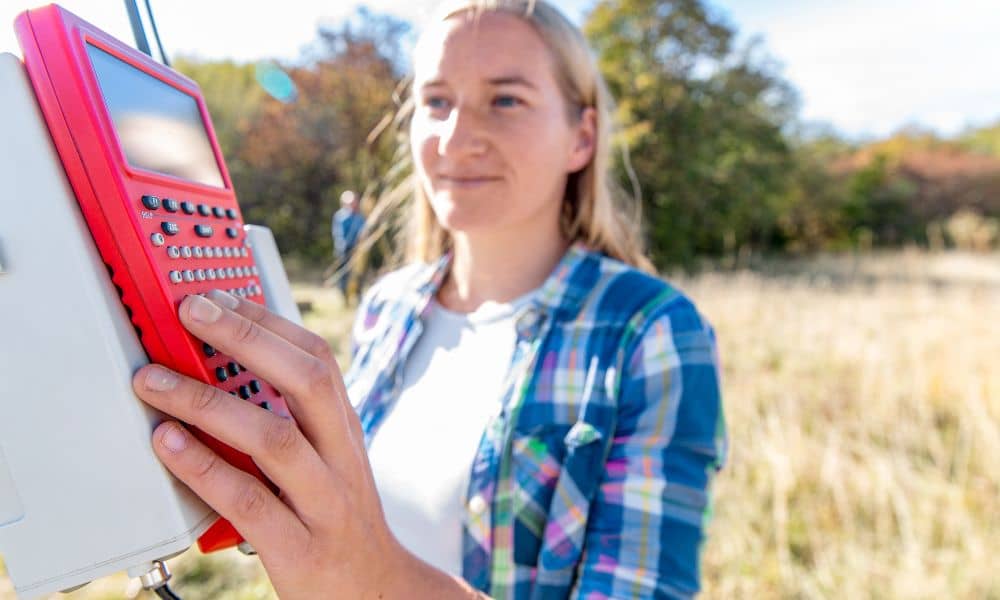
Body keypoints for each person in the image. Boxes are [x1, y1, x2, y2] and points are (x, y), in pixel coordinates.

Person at [132, 1, 727, 598]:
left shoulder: (652, 332)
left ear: (582, 136)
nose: (456, 137)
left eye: (505, 100)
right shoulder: (388, 306)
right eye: (436, 102)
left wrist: (378, 577)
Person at [331, 189, 365, 298]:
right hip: (344, 249)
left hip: (358, 249)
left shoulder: (359, 217)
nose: (354, 204)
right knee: (344, 274)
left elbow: (364, 231)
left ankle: (357, 295)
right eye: (351, 202)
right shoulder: (341, 216)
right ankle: (344, 295)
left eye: (355, 201)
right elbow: (339, 233)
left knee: (359, 273)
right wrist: (345, 245)